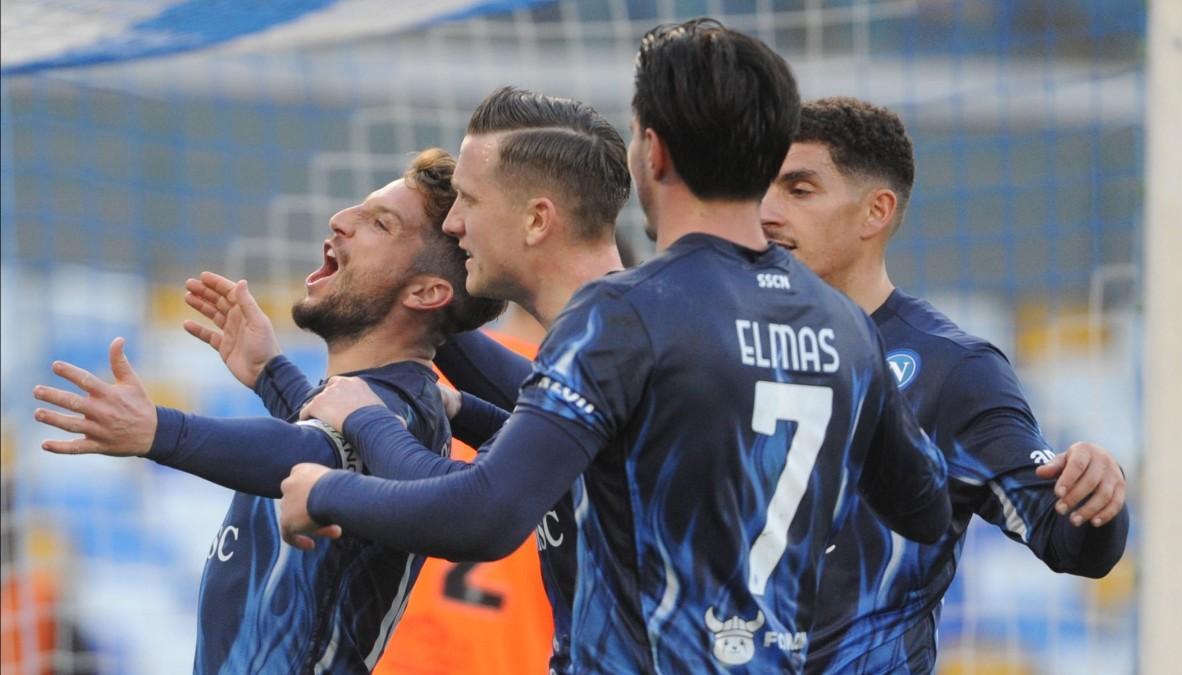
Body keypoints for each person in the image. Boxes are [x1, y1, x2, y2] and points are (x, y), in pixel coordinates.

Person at [277, 19, 951, 673]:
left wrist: (330, 480)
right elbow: (923, 506)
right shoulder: (843, 326)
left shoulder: (625, 312)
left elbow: (485, 513)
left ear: (651, 151)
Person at [189, 85, 631, 674]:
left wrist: (159, 432)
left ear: (535, 219)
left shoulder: (618, 348)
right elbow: (550, 455)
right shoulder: (567, 367)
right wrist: (279, 375)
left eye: (470, 200)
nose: (456, 221)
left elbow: (480, 508)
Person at [30, 149, 505, 674]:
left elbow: (306, 453)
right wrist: (270, 374)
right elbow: (328, 442)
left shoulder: (400, 408)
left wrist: (160, 431)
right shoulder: (372, 401)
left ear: (425, 291)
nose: (340, 220)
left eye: (379, 223)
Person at [759, 96, 1130, 672]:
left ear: (875, 212)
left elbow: (1069, 542)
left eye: (799, 190)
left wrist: (1095, 497)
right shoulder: (719, 346)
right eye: (764, 188)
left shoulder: (949, 370)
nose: (767, 212)